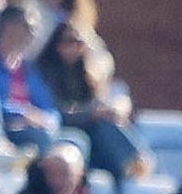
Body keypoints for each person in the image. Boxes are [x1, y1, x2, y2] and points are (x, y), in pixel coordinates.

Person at [36, 18, 148, 183]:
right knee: (102, 125)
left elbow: (97, 101)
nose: (74, 47)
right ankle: (131, 164)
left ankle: (134, 163)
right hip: (62, 128)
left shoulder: (84, 75)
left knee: (107, 121)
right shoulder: (45, 73)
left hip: (90, 130)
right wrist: (90, 113)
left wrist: (104, 110)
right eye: (68, 41)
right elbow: (55, 111)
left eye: (79, 43)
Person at [0, 2, 59, 149]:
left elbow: (48, 106)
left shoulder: (29, 68)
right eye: (28, 27)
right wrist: (21, 113)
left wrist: (47, 120)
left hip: (21, 129)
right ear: (8, 27)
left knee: (75, 140)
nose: (33, 34)